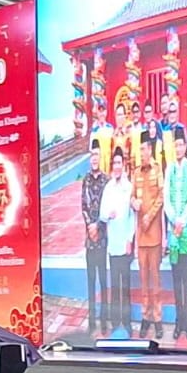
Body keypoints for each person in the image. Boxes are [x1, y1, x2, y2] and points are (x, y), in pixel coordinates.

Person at [163, 126, 187, 340]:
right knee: (176, 278)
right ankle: (179, 322)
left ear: (185, 147)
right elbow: (166, 197)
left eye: (181, 145)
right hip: (173, 231)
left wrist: (182, 220)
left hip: (185, 230)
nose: (178, 148)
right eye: (175, 145)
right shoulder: (169, 170)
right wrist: (174, 219)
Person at [132, 131, 165, 339]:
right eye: (140, 149)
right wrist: (133, 202)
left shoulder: (157, 170)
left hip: (154, 234)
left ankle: (158, 318)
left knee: (155, 280)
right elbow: (132, 196)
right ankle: (145, 317)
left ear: (150, 149)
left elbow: (161, 196)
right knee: (143, 281)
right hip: (141, 238)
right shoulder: (136, 172)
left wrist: (149, 216)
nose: (141, 153)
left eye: (143, 149)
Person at [100, 148, 135, 336]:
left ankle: (127, 322)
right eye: (114, 163)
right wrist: (108, 214)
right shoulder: (108, 188)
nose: (117, 166)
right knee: (115, 285)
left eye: (119, 163)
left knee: (125, 286)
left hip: (125, 244)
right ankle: (115, 322)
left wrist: (130, 239)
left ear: (124, 165)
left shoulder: (129, 187)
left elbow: (132, 217)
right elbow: (102, 215)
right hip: (113, 245)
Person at [80, 136, 109, 334]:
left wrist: (98, 226)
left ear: (101, 157)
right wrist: (90, 227)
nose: (94, 159)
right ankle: (91, 319)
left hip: (102, 239)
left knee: (103, 281)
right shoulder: (86, 180)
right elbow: (83, 205)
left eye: (97, 155)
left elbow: (107, 207)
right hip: (90, 240)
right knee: (91, 281)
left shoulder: (106, 180)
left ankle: (104, 319)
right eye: (92, 156)